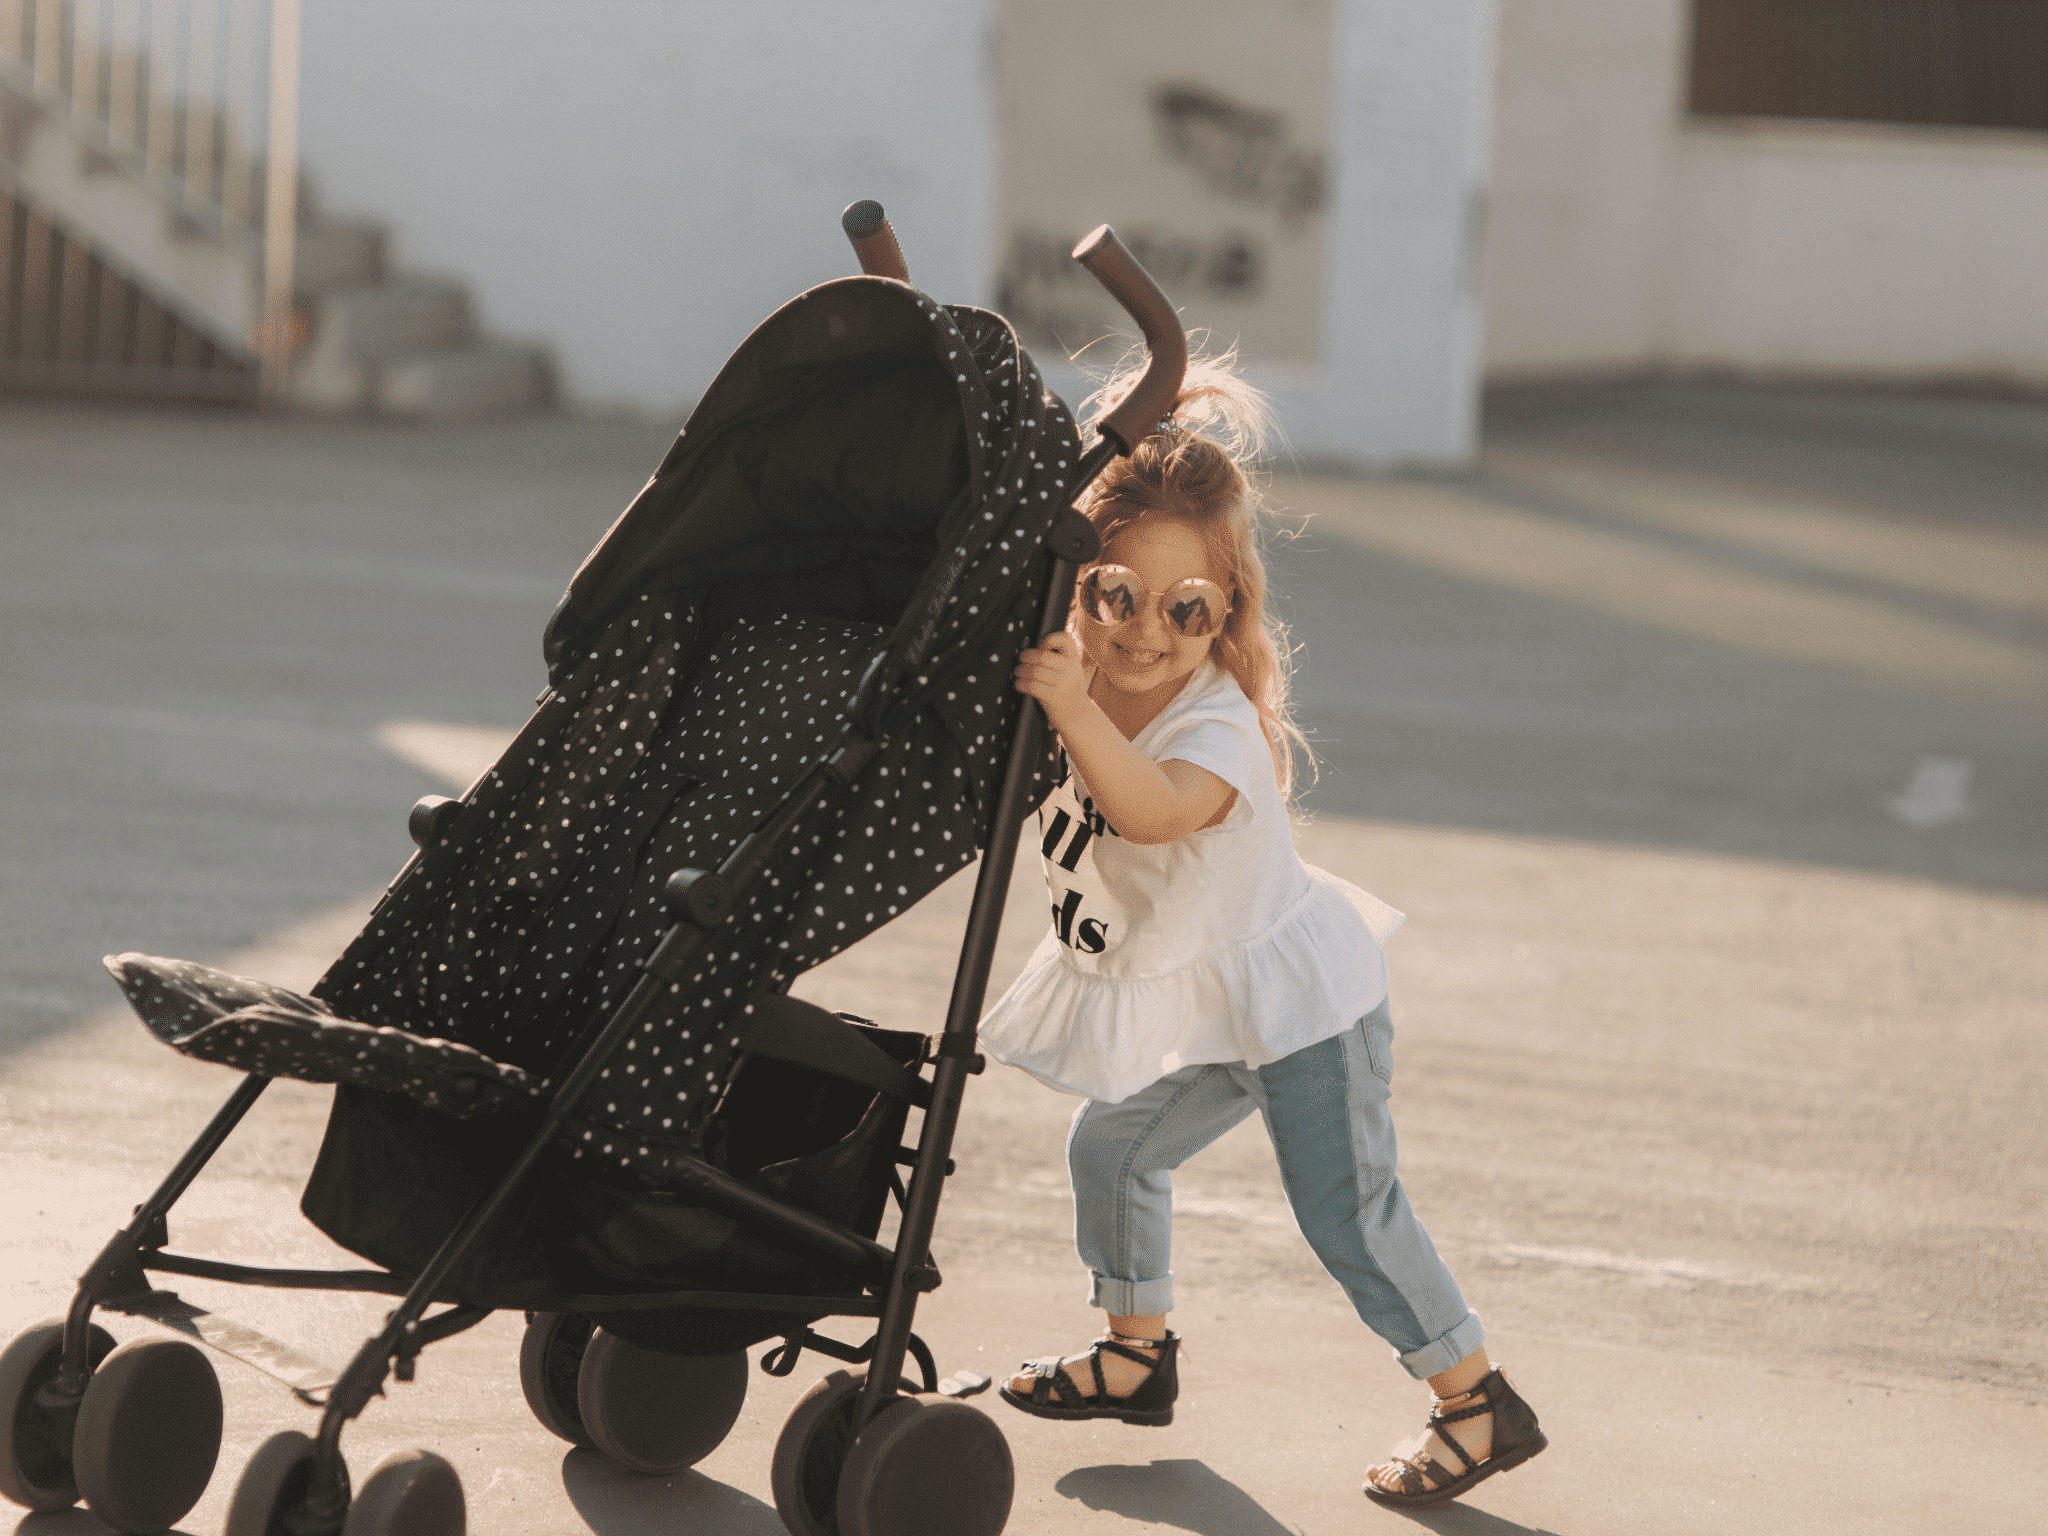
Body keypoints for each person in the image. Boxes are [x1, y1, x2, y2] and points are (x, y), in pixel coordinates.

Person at [976, 358, 1547, 1508]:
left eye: (1184, 610)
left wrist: (1073, 709)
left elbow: (1151, 810)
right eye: (1113, 594)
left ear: (1223, 611)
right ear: (1075, 587)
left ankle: (1475, 1400)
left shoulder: (1213, 730)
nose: (1143, 632)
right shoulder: (1069, 670)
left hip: (1300, 1010)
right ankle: (1136, 1355)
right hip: (1203, 997)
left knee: (1346, 1212)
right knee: (1113, 1147)